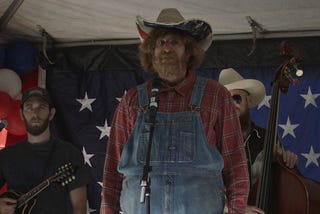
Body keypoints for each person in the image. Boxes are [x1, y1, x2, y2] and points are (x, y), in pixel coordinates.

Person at [100, 8, 249, 214]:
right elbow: (112, 170)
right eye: (160, 43)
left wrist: (237, 210)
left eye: (174, 42)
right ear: (151, 51)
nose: (166, 49)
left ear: (189, 51)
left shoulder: (216, 96)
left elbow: (236, 164)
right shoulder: (132, 100)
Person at [218, 68, 298, 214]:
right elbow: (204, 190)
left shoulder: (268, 138)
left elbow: (285, 187)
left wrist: (289, 163)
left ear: (248, 101)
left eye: (236, 98)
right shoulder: (211, 143)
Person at [0, 87, 91, 214]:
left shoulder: (69, 153)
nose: (35, 114)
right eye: (29, 108)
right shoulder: (6, 155)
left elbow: (79, 207)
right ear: (21, 114)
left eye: (41, 108)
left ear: (51, 113)